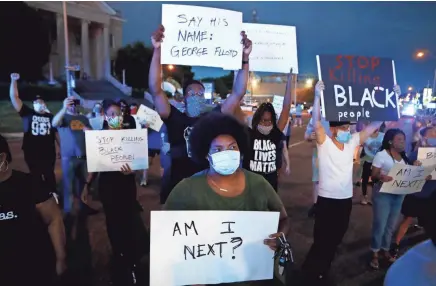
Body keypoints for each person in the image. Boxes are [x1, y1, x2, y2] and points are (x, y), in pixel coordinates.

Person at [164, 112, 290, 285]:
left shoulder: (258, 184)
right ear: (206, 154)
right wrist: (188, 272)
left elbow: (284, 220)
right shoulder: (186, 190)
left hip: (254, 277)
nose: (227, 153)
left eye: (232, 147)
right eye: (218, 149)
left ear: (241, 150)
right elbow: (165, 237)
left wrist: (280, 237)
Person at [301, 80, 400, 285]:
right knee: (322, 240)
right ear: (334, 129)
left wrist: (392, 99)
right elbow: (317, 121)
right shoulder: (324, 142)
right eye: (344, 127)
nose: (348, 129)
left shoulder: (353, 141)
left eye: (349, 126)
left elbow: (374, 124)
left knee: (336, 239)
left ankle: (322, 269)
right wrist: (318, 96)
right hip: (327, 200)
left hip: (344, 201)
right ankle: (311, 272)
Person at [149, 25, 251, 204]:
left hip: (208, 187)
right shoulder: (174, 118)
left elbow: (238, 93)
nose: (196, 97)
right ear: (184, 98)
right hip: (180, 187)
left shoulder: (213, 118)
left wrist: (244, 59)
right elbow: (156, 90)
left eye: (200, 94)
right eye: (192, 94)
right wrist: (157, 51)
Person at [81, 100, 148, 286]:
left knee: (129, 220)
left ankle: (132, 257)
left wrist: (133, 171)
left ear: (123, 116)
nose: (115, 117)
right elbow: (94, 166)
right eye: (111, 114)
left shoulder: (131, 137)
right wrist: (87, 185)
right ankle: (119, 254)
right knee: (113, 221)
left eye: (118, 114)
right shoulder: (100, 138)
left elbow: (139, 162)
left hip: (126, 185)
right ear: (105, 116)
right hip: (108, 186)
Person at [0, 134, 66, 286]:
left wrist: (61, 257)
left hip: (32, 269)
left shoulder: (30, 185)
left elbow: (53, 219)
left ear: (2, 158)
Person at [369, 129, 428, 269]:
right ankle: (374, 253)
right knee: (380, 224)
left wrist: (416, 168)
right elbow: (374, 175)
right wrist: (381, 177)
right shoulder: (381, 155)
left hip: (399, 194)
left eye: (403, 139)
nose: (402, 142)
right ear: (390, 141)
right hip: (383, 194)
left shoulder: (405, 156)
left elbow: (407, 174)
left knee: (390, 225)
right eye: (399, 139)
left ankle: (385, 249)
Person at [238, 71, 294, 191]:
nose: (266, 124)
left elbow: (286, 108)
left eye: (269, 121)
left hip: (270, 187)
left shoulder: (275, 134)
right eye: (263, 121)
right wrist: (240, 72)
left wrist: (290, 80)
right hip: (250, 187)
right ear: (257, 120)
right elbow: (234, 106)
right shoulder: (249, 134)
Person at [9, 73, 59, 192]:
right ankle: (39, 198)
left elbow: (56, 133)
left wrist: (62, 148)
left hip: (48, 151)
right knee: (35, 175)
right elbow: (14, 97)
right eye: (36, 102)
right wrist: (13, 81)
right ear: (33, 104)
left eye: (41, 102)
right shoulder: (27, 113)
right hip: (32, 151)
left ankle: (52, 195)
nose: (39, 103)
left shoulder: (50, 116)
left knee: (49, 175)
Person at [392, 126, 436, 258]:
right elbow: (406, 171)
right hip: (416, 194)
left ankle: (429, 249)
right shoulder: (417, 153)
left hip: (432, 195)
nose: (435, 136)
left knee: (430, 223)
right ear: (425, 137)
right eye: (433, 133)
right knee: (407, 220)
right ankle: (396, 244)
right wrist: (414, 167)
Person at [384, 191, 436, 286]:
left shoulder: (398, 272)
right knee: (407, 220)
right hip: (416, 196)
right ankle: (396, 244)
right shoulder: (400, 273)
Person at [304, 107, 330, 218]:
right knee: (317, 181)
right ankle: (316, 205)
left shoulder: (340, 116)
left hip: (335, 154)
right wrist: (310, 136)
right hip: (318, 154)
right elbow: (306, 136)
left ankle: (329, 205)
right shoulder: (316, 119)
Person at [359, 127, 384, 205]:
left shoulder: (383, 135)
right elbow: (360, 142)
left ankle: (373, 198)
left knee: (375, 179)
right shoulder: (365, 136)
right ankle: (364, 196)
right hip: (367, 160)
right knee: (365, 179)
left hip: (378, 161)